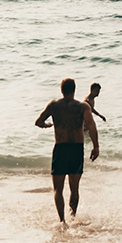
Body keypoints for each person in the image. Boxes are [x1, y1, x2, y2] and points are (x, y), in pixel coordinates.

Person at [35, 78, 99, 223]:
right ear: (74, 89)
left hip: (61, 148)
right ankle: (73, 216)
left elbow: (38, 122)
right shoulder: (83, 107)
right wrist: (96, 146)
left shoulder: (54, 105)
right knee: (74, 188)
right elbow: (92, 126)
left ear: (61, 90)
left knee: (58, 189)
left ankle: (62, 221)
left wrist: (47, 125)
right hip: (76, 149)